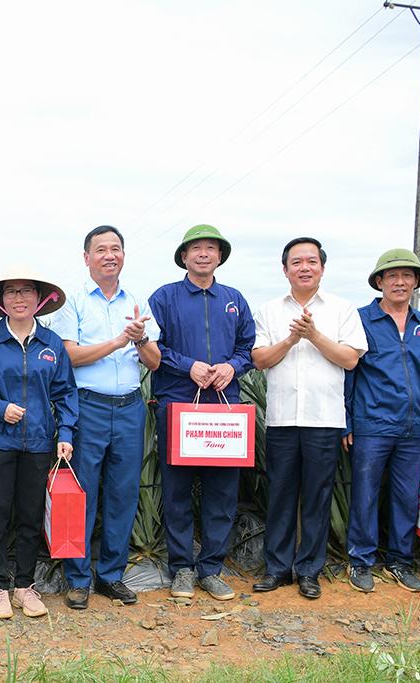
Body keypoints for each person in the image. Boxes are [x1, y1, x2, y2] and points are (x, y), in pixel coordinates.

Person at [250, 238, 366, 599]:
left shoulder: (342, 309)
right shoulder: (269, 310)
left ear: (322, 268)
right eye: (296, 262)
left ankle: (309, 571)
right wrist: (290, 339)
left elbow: (350, 359)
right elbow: (260, 360)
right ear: (285, 269)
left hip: (324, 419)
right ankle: (277, 568)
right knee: (280, 494)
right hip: (282, 419)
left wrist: (313, 335)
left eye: (311, 261)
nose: (304, 267)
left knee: (317, 496)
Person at [51, 226, 160, 610]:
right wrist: (117, 341)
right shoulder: (74, 301)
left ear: (124, 256)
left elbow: (154, 361)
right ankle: (78, 578)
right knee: (81, 494)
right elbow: (69, 356)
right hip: (88, 406)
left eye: (116, 249)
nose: (109, 255)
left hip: (130, 407)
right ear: (87, 258)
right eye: (101, 249)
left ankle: (111, 575)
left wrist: (141, 339)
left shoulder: (137, 301)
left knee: (123, 493)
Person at [0, 267, 77, 619]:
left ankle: (25, 586)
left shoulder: (51, 344)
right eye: (11, 291)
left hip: (39, 443)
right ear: (0, 300)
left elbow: (65, 392)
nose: (19, 297)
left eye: (27, 291)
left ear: (40, 299)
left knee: (30, 515)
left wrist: (65, 434)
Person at [148, 224, 255, 601]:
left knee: (222, 493)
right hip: (178, 406)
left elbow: (248, 348)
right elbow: (152, 348)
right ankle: (180, 568)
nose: (204, 254)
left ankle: (211, 569)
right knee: (176, 491)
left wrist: (232, 367)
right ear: (184, 257)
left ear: (220, 256)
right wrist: (187, 366)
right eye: (196, 249)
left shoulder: (234, 299)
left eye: (211, 248)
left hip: (225, 411)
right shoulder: (164, 297)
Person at [344, 249, 420, 594]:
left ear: (415, 282)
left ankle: (400, 561)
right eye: (392, 276)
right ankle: (361, 561)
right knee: (365, 495)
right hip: (372, 424)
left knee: (407, 497)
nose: (400, 282)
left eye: (407, 275)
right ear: (379, 282)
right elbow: (349, 374)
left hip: (413, 428)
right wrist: (348, 423)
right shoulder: (362, 319)